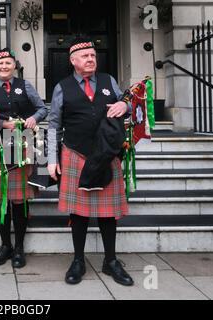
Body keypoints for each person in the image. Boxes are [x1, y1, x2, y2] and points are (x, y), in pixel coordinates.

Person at [47, 36, 134, 286]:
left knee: (108, 214)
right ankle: (78, 261)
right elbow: (54, 124)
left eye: (93, 55)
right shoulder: (62, 87)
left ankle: (111, 261)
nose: (90, 59)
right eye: (85, 56)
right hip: (75, 153)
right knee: (80, 212)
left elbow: (127, 104)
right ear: (73, 61)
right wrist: (52, 159)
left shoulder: (109, 81)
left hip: (106, 153)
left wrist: (123, 105)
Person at [0, 48, 48, 268]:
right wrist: (1, 124)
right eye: (0, 64)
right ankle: (5, 245)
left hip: (23, 143)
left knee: (20, 200)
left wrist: (32, 118)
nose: (4, 67)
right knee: (1, 199)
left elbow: (42, 109)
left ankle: (19, 247)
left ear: (14, 65)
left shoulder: (25, 85)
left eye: (8, 63)